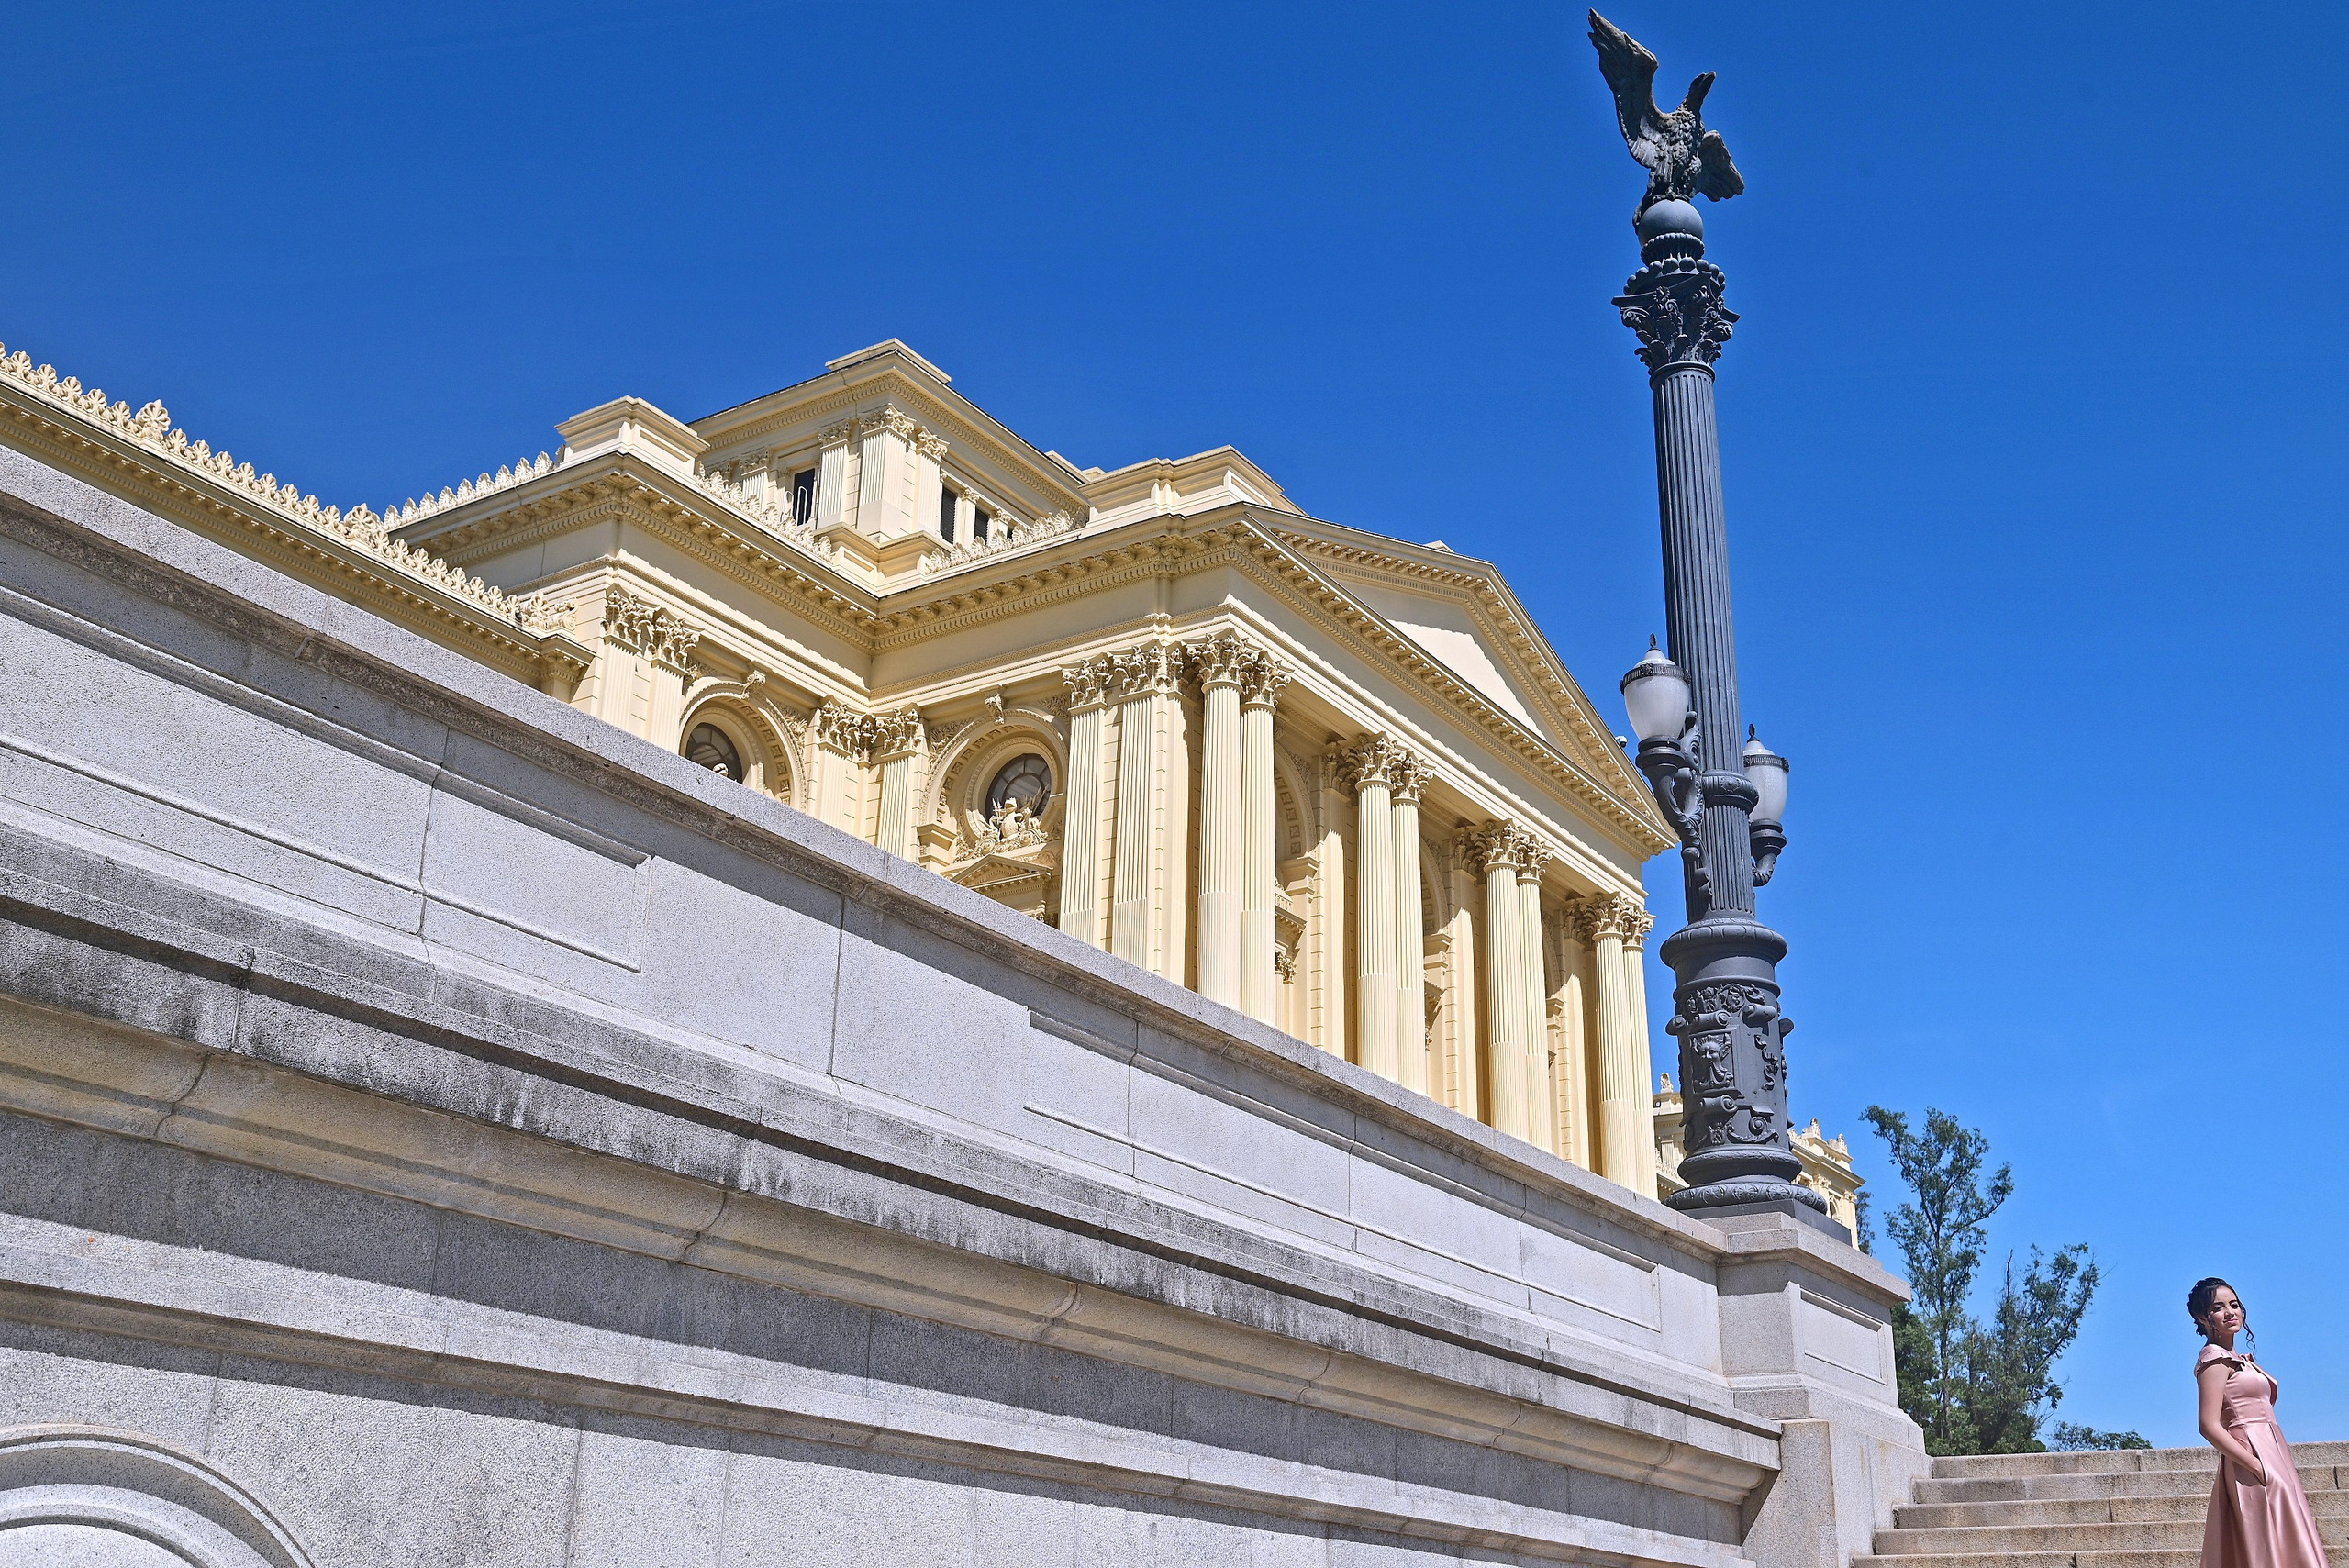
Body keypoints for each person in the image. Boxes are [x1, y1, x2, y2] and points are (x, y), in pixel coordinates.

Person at [2192, 1277, 2327, 1568]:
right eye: (2218, 1307)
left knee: (2285, 1536)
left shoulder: (2237, 1358)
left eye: (2234, 1304)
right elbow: (2208, 1425)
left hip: (2273, 1453)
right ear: (2202, 1317)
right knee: (2264, 1541)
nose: (2230, 1312)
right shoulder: (2215, 1359)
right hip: (2251, 1457)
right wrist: (2255, 1465)